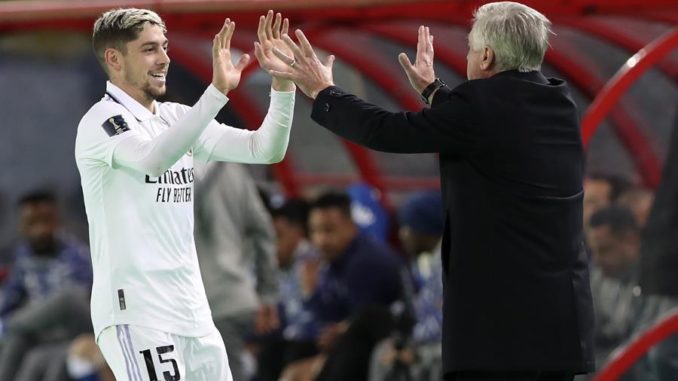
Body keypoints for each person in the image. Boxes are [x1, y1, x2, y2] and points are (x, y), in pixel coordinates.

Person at [263, 2, 595, 380]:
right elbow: (492, 130)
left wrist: (323, 91)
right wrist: (435, 92)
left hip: (500, 332)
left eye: (471, 49)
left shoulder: (479, 108)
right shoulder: (558, 103)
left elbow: (385, 131)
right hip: (558, 326)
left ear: (486, 56)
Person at [74, 8, 296, 380]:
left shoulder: (177, 117)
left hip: (193, 312)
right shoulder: (99, 122)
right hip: (138, 313)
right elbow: (153, 160)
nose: (164, 58)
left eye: (164, 46)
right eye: (148, 49)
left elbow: (265, 149)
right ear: (114, 58)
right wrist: (216, 93)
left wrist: (283, 85)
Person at [193, 160, 280, 381]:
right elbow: (263, 230)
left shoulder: (167, 164)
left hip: (200, 301)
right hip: (239, 297)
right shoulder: (232, 168)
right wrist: (267, 293)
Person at [0, 191, 93, 381]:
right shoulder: (22, 259)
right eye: (32, 224)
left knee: (66, 299)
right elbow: (8, 302)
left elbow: (84, 297)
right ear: (22, 226)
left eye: (45, 222)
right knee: (25, 348)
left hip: (78, 327)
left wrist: (14, 323)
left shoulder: (76, 252)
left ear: (56, 221)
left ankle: (15, 325)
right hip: (47, 334)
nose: (40, 230)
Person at [586, 206, 641, 367]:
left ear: (631, 241)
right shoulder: (598, 276)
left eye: (605, 250)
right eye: (594, 251)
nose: (597, 260)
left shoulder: (656, 281)